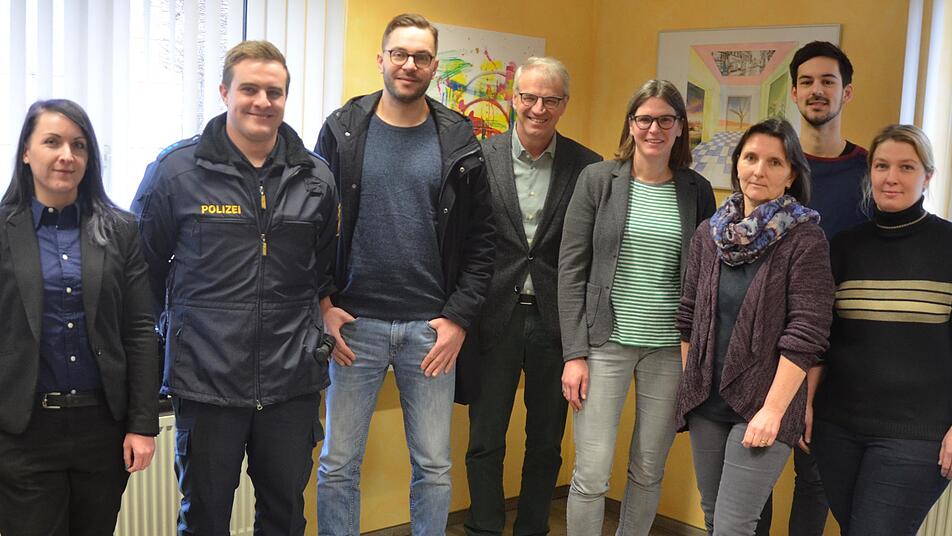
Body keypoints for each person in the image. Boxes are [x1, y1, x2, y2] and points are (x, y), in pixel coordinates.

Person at [132, 41, 337, 535]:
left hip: (291, 381)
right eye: (249, 89)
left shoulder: (315, 178)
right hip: (206, 383)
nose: (262, 101)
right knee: (204, 518)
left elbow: (324, 271)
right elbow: (140, 275)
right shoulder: (176, 172)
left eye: (274, 92)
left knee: (285, 517)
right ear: (225, 92)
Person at [315, 13, 494, 536]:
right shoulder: (343, 129)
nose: (409, 65)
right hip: (354, 328)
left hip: (430, 332)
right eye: (399, 54)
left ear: (434, 66)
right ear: (382, 59)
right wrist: (323, 305)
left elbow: (483, 241)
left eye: (421, 57)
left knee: (434, 467)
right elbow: (311, 225)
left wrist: (458, 319)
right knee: (337, 464)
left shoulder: (458, 138)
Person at [559, 79, 715, 535]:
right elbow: (571, 269)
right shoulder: (597, 180)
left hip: (668, 350)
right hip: (603, 344)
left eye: (665, 120)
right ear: (630, 124)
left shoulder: (696, 189)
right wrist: (574, 354)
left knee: (648, 469)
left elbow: (706, 275)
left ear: (681, 127)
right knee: (591, 474)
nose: (654, 129)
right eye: (644, 119)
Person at [0, 99, 159, 535]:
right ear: (26, 152)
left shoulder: (120, 230)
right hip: (23, 432)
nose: (66, 155)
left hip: (101, 431)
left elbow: (139, 331)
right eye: (52, 142)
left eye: (79, 145)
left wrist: (142, 425)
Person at [676, 118, 834, 535]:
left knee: (734, 526)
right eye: (750, 158)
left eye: (774, 162)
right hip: (707, 404)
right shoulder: (709, 234)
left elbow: (807, 334)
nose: (759, 170)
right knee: (714, 518)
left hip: (764, 406)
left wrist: (774, 411)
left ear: (791, 174)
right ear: (737, 164)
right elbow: (688, 315)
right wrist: (692, 383)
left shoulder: (805, 239)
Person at [464, 57, 601, 536]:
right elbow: (464, 239)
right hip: (493, 317)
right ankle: (483, 527)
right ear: (514, 98)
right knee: (484, 439)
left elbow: (592, 252)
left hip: (555, 322)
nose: (538, 108)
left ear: (565, 104)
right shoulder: (480, 157)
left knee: (545, 443)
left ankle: (533, 528)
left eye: (551, 99)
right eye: (529, 97)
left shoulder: (588, 167)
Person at [811, 124, 952, 536]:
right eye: (882, 166)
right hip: (837, 428)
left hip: (917, 435)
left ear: (927, 176)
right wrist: (806, 405)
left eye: (906, 167)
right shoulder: (844, 246)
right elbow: (821, 338)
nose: (891, 177)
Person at [758, 39, 866, 536]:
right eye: (807, 82)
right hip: (768, 342)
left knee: (815, 475)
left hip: (840, 349)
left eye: (828, 81)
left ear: (847, 92)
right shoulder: (774, 165)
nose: (817, 90)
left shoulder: (868, 171)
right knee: (754, 467)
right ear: (795, 93)